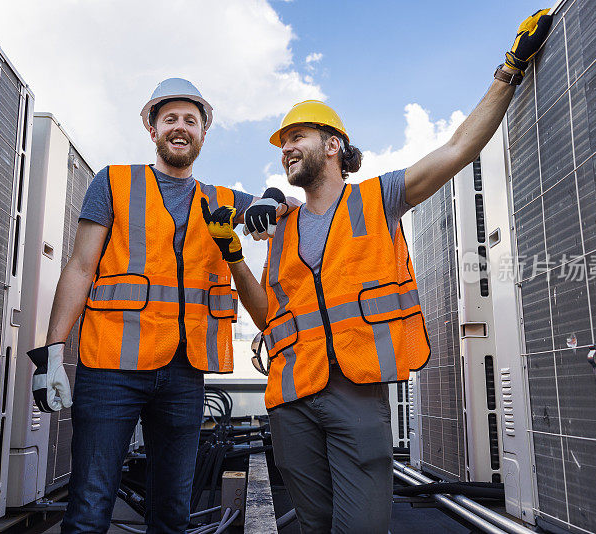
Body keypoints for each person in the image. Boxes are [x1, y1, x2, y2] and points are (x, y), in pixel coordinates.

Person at [201, 10, 553, 533]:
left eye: (297, 136)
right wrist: (233, 259)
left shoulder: (377, 199)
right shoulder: (281, 225)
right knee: (313, 527)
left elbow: (457, 149)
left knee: (362, 526)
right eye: (282, 143)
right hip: (290, 399)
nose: (286, 149)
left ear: (333, 145)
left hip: (356, 392)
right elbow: (268, 316)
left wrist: (508, 71)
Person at [26, 78, 256, 533]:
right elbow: (79, 267)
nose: (180, 127)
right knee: (91, 506)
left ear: (203, 134)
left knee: (173, 510)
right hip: (110, 367)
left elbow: (286, 206)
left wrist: (272, 199)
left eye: (191, 120)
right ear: (153, 130)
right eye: (169, 118)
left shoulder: (224, 201)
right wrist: (50, 352)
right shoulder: (114, 182)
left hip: (183, 372)